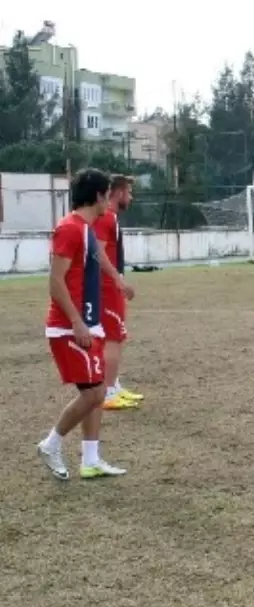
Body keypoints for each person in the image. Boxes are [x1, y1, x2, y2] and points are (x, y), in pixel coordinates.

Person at [37, 168, 129, 481]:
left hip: (89, 323)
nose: (111, 200)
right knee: (93, 394)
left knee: (99, 392)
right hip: (68, 327)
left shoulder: (86, 228)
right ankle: (51, 444)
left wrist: (118, 280)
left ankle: (91, 460)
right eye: (108, 194)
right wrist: (76, 322)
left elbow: (100, 255)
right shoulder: (69, 229)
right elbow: (55, 281)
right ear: (99, 196)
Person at [94, 174, 143, 411]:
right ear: (118, 193)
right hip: (106, 288)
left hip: (109, 286)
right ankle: (108, 392)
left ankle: (113, 385)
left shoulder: (109, 218)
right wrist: (118, 280)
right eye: (129, 192)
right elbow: (98, 253)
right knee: (113, 337)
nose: (131, 197)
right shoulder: (107, 219)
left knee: (116, 336)